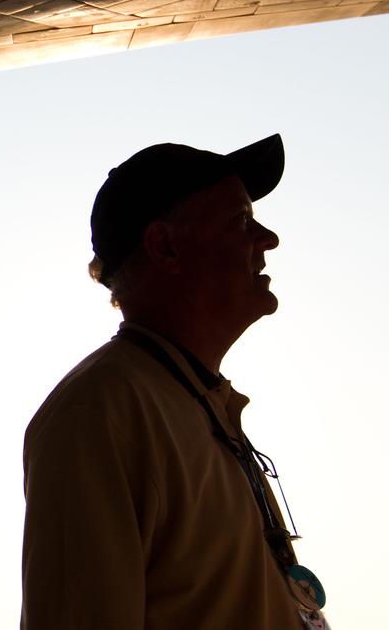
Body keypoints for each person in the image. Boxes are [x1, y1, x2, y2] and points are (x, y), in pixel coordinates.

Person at [20, 134, 328, 630]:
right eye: (241, 221)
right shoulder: (100, 413)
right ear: (165, 246)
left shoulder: (193, 400)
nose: (268, 239)